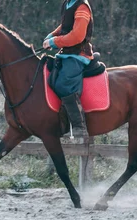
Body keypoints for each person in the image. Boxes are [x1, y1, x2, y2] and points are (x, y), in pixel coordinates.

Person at [43, 0, 94, 138]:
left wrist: (55, 42)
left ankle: (79, 126)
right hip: (67, 53)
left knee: (64, 84)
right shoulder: (68, 3)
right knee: (53, 80)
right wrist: (52, 35)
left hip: (78, 54)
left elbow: (78, 35)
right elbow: (66, 25)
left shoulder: (82, 6)